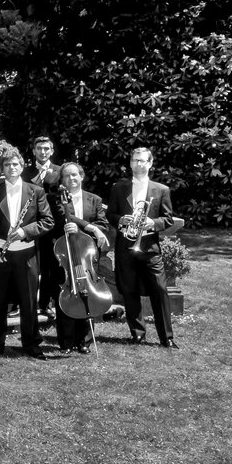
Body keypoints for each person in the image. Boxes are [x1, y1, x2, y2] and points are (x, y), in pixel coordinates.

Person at [0, 145, 55, 359]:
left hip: (27, 254)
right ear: (2, 168)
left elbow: (48, 221)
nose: (11, 167)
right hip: (0, 254)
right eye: (7, 164)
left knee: (28, 301)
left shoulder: (36, 191)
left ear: (22, 167)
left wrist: (25, 231)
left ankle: (31, 344)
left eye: (15, 164)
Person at [107, 147, 178, 349]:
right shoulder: (118, 188)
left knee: (160, 289)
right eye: (136, 160)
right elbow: (110, 215)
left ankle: (167, 337)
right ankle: (138, 333)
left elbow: (167, 219)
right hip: (125, 246)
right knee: (129, 289)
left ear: (150, 163)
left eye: (143, 161)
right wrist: (120, 219)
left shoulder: (161, 189)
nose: (139, 164)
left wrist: (152, 223)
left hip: (149, 247)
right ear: (130, 163)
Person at [51, 162, 111, 353]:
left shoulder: (95, 200)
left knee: (88, 294)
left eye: (75, 175)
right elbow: (60, 219)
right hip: (65, 255)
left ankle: (84, 340)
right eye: (67, 176)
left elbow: (103, 225)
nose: (71, 179)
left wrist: (92, 229)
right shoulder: (56, 199)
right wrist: (88, 226)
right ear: (62, 180)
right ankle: (66, 342)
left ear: (82, 176)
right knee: (67, 294)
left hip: (86, 256)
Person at [23, 136, 64, 316]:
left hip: (52, 225)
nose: (43, 152)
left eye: (46, 149)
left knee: (51, 266)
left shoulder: (60, 172)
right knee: (30, 266)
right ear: (34, 151)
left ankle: (48, 303)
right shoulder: (25, 173)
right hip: (31, 225)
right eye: (39, 148)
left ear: (52, 151)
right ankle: (26, 303)